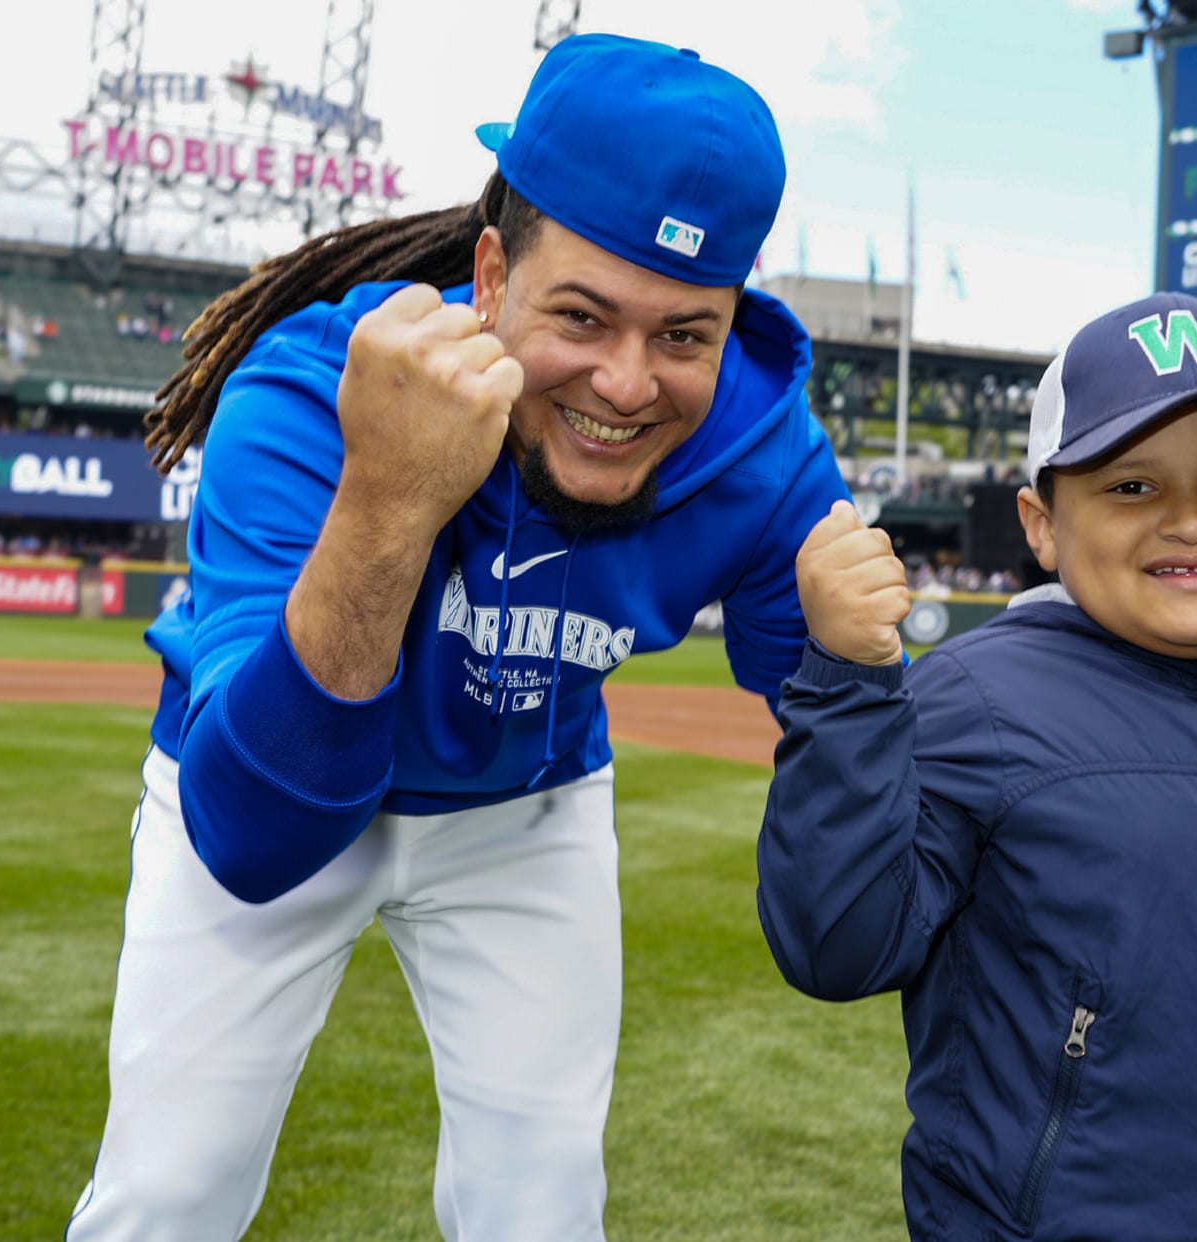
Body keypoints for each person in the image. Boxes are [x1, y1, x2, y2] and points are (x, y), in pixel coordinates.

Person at [65, 35, 842, 1240]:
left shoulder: (764, 446)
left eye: (684, 335)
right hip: (261, 770)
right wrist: (386, 501)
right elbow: (256, 836)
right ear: (491, 271)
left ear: (731, 322)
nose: (629, 384)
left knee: (542, 1207)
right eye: (582, 316)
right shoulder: (309, 388)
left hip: (521, 814)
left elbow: (842, 709)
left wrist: (1177, 698)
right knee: (167, 1196)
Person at [755, 292, 1197, 1240]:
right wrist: (850, 682)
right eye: (1131, 486)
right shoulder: (975, 703)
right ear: (1042, 522)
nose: (1188, 520)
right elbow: (836, 943)